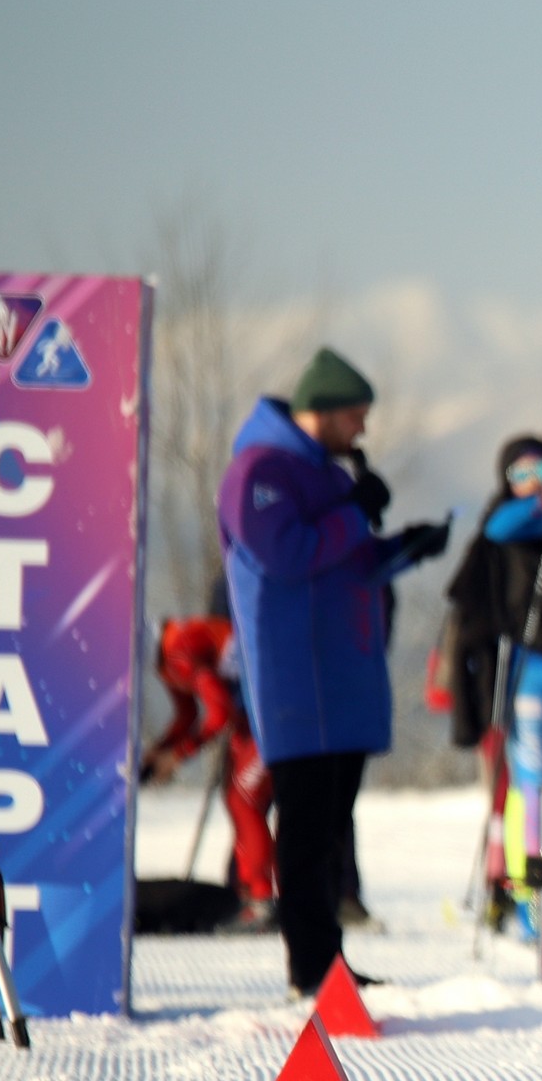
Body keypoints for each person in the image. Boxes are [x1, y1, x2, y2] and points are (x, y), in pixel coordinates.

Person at [216, 347, 450, 996]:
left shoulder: (325, 473)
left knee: (331, 828)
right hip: (298, 677)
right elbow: (288, 555)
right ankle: (312, 968)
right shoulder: (258, 471)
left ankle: (331, 965)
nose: (363, 431)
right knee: (306, 825)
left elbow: (349, 558)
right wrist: (355, 512)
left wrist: (404, 547)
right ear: (320, 412)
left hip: (342, 677)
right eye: (356, 416)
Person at [463, 435, 542, 955]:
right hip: (529, 664)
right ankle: (535, 903)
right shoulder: (510, 516)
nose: (531, 482)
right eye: (519, 474)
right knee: (531, 785)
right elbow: (500, 527)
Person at [139, 601, 274, 930]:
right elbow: (188, 715)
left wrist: (178, 755)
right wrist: (158, 752)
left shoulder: (178, 650)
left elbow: (218, 713)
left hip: (266, 718)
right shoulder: (166, 657)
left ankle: (262, 900)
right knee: (238, 800)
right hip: (252, 719)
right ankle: (252, 895)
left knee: (244, 801)